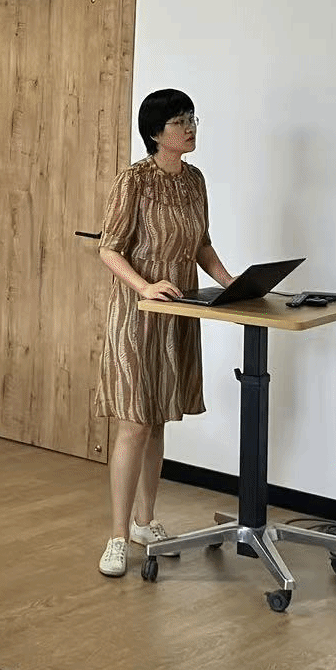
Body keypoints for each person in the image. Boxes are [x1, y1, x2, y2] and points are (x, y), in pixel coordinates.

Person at [95, 89, 235, 577]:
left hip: (178, 309)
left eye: (192, 118)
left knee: (156, 420)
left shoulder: (195, 180)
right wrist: (146, 286)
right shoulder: (133, 180)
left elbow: (202, 245)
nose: (190, 127)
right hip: (137, 311)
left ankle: (144, 522)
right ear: (156, 133)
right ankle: (116, 537)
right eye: (180, 121)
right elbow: (109, 249)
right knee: (134, 421)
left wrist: (232, 283)